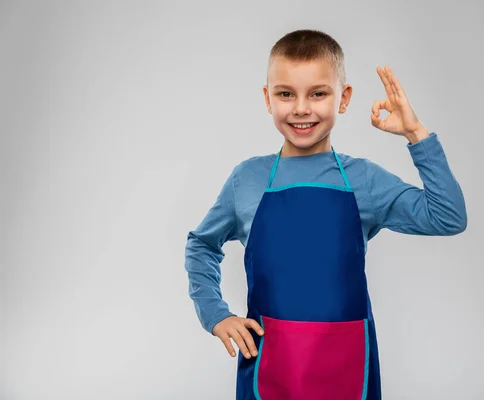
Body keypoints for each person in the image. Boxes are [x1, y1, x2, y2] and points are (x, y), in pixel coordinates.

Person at [184, 29, 467, 400]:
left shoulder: (363, 180)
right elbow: (201, 245)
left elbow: (448, 216)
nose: (301, 108)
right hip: (270, 365)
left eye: (318, 93)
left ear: (344, 98)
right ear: (268, 99)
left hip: (346, 364)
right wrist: (215, 314)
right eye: (286, 94)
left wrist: (415, 133)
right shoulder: (247, 180)